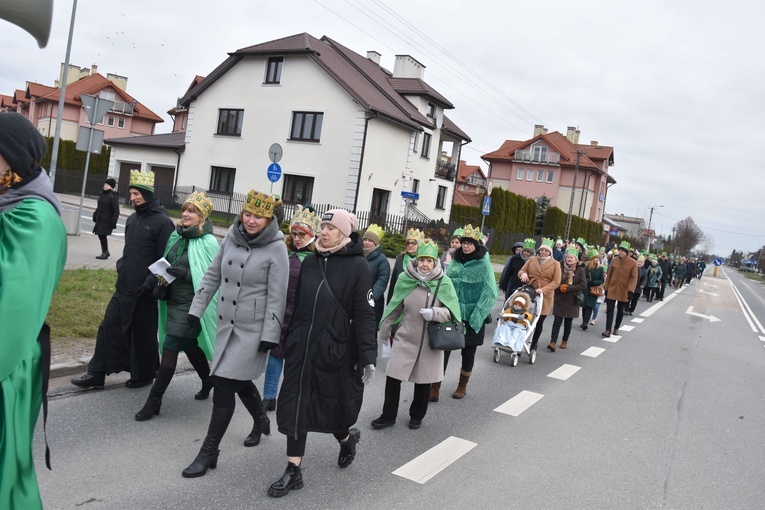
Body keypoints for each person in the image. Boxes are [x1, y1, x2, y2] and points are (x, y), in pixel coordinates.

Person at [269, 209, 376, 498]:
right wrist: (285, 338)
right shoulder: (311, 262)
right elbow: (295, 304)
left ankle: (345, 440)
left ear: (345, 234)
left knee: (332, 409)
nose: (324, 232)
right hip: (302, 347)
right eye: (323, 226)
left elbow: (365, 314)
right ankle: (294, 470)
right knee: (296, 405)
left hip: (335, 349)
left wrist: (368, 356)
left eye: (330, 228)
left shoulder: (358, 267)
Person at [181, 190, 289, 478]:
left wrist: (271, 333)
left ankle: (209, 451)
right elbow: (213, 275)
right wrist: (195, 310)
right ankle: (259, 419)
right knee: (236, 380)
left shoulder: (277, 248)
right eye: (248, 214)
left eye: (259, 216)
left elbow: (278, 296)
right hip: (226, 324)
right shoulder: (231, 235)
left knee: (225, 383)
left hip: (253, 331)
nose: (252, 221)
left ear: (269, 220)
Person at [0, 112, 67, 510]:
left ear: (12, 161)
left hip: (9, 362)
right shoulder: (8, 203)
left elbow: (14, 307)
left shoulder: (35, 217)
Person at [72, 170, 174, 390]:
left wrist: (149, 283)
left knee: (141, 334)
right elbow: (129, 250)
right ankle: (96, 373)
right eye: (131, 193)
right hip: (123, 286)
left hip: (144, 290)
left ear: (147, 193)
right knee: (108, 327)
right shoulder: (133, 218)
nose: (133, 197)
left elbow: (167, 260)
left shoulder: (163, 222)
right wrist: (121, 267)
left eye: (137, 193)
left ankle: (144, 374)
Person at [134, 192, 220, 421]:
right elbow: (166, 261)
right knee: (189, 345)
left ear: (202, 217)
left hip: (193, 303)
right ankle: (208, 379)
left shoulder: (209, 242)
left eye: (192, 211)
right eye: (185, 210)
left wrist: (187, 274)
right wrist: (155, 279)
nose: (186, 214)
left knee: (171, 346)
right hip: (173, 300)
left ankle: (154, 401)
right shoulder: (177, 236)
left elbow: (213, 276)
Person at [373, 241, 461, 430]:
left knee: (423, 382)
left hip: (429, 341)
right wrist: (384, 331)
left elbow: (453, 313)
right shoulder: (406, 279)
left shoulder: (443, 283)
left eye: (429, 261)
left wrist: (435, 313)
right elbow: (395, 306)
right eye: (421, 260)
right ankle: (388, 415)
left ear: (435, 262)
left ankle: (417, 416)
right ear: (416, 261)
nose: (425, 264)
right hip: (406, 338)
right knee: (393, 377)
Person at [261, 205, 319, 413]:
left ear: (311, 236)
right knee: (275, 356)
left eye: (301, 235)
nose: (296, 238)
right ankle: (269, 397)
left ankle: (292, 399)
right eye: (294, 234)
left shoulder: (316, 260)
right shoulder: (284, 253)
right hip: (281, 313)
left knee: (295, 362)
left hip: (301, 318)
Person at [435, 225, 498, 401]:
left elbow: (490, 291)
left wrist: (477, 315)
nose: (466, 246)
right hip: (453, 314)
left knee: (468, 353)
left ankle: (462, 385)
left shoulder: (484, 263)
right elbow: (446, 284)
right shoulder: (455, 260)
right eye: (464, 243)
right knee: (444, 349)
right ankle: (435, 385)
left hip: (473, 317)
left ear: (476, 245)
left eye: (470, 243)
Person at [518, 238, 561, 356]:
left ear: (550, 253)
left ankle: (534, 344)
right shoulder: (532, 260)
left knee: (538, 321)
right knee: (525, 318)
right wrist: (524, 274)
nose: (543, 252)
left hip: (544, 295)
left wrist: (543, 290)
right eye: (541, 250)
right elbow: (521, 271)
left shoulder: (556, 264)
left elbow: (556, 282)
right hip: (530, 292)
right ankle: (519, 342)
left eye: (546, 251)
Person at [548, 246, 586, 351]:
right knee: (557, 321)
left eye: (572, 258)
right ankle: (553, 342)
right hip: (560, 297)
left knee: (568, 322)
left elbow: (583, 285)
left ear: (576, 260)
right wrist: (559, 287)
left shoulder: (580, 270)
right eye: (568, 257)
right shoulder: (559, 267)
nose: (569, 259)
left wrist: (569, 288)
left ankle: (564, 340)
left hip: (572, 299)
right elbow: (554, 278)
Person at [601, 241, 638, 338]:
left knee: (620, 310)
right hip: (612, 287)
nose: (620, 252)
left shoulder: (633, 263)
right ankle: (607, 330)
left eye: (622, 251)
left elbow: (634, 277)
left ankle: (616, 328)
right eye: (620, 250)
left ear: (627, 252)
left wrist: (631, 290)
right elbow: (609, 274)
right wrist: (606, 287)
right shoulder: (614, 260)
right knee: (610, 309)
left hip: (624, 289)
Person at [363, 224, 391, 328]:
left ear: (376, 242)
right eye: (365, 239)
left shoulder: (382, 260)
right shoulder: (358, 256)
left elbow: (382, 281)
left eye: (370, 240)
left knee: (370, 330)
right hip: (357, 300)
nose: (366, 242)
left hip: (373, 304)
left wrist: (371, 298)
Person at [387, 227, 424, 303]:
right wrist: (390, 301)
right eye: (408, 243)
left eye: (413, 243)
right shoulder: (400, 259)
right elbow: (394, 281)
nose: (410, 245)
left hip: (415, 301)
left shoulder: (423, 260)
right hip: (399, 299)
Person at [92, 177, 120, 259]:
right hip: (100, 219)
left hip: (107, 220)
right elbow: (99, 206)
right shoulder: (103, 194)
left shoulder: (113, 196)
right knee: (100, 235)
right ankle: (105, 251)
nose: (105, 186)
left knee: (102, 235)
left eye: (107, 185)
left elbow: (116, 210)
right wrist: (95, 214)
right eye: (105, 184)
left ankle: (105, 252)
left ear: (111, 187)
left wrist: (114, 221)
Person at [580, 248, 605, 330]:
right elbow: (582, 276)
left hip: (593, 289)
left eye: (597, 258)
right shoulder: (586, 267)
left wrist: (594, 282)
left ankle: (585, 322)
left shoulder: (600, 268)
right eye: (595, 258)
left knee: (589, 306)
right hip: (585, 288)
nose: (597, 260)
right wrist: (587, 281)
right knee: (584, 305)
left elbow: (601, 279)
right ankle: (584, 320)